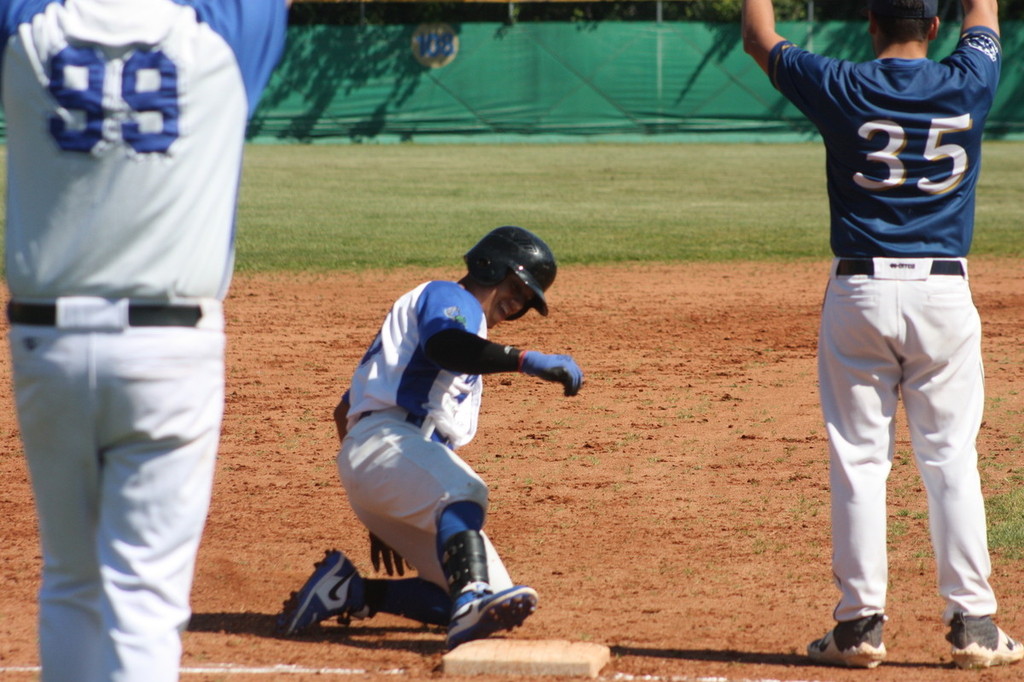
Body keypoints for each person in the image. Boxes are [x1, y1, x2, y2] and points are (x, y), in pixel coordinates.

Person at [0, 1, 289, 680]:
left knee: (70, 582)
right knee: (145, 601)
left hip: (47, 346)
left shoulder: (25, 31)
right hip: (169, 352)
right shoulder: (222, 35)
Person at [741, 0, 1021, 671]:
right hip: (943, 295)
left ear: (870, 23)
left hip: (859, 293)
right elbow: (983, 11)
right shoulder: (970, 78)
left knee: (860, 461)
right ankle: (975, 623)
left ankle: (858, 624)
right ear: (934, 26)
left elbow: (757, 35)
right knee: (950, 457)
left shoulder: (841, 82)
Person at [275, 226, 584, 649]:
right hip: (387, 440)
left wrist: (389, 494)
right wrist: (525, 360)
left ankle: (348, 590)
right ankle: (471, 597)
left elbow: (343, 411)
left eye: (526, 300)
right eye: (516, 287)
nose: (517, 304)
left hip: (388, 459)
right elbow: (446, 346)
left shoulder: (456, 331)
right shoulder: (450, 297)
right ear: (490, 267)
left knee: (495, 601)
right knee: (466, 489)